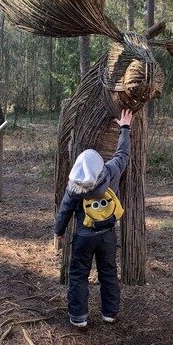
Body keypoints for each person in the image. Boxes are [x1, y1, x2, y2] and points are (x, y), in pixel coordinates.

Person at [54, 109, 133, 328]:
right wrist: (125, 128)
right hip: (107, 234)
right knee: (108, 273)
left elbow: (65, 210)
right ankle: (109, 313)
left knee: (79, 275)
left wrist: (58, 231)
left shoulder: (74, 186)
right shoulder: (110, 172)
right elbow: (122, 154)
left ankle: (79, 317)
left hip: (83, 236)